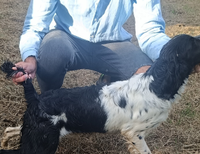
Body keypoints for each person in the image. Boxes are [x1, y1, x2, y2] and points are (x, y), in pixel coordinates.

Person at [12, 0, 171, 92]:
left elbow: (151, 30)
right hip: (66, 36)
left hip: (113, 41)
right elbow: (35, 25)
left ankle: (111, 81)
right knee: (51, 52)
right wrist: (30, 58)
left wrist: (174, 57)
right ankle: (48, 102)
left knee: (149, 76)